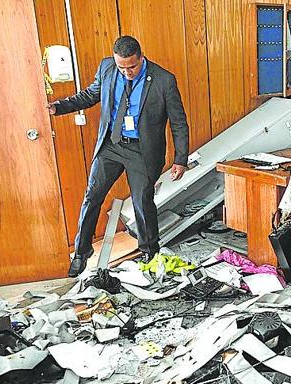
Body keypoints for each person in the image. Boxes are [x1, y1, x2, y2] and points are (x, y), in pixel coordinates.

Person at [47, 36, 189, 277]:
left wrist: (180, 158)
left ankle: (150, 251)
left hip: (142, 150)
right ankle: (82, 252)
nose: (126, 72)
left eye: (131, 67)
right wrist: (58, 107)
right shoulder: (107, 67)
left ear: (141, 58)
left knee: (142, 202)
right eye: (121, 67)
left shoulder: (164, 80)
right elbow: (90, 95)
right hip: (111, 145)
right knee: (92, 196)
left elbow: (178, 122)